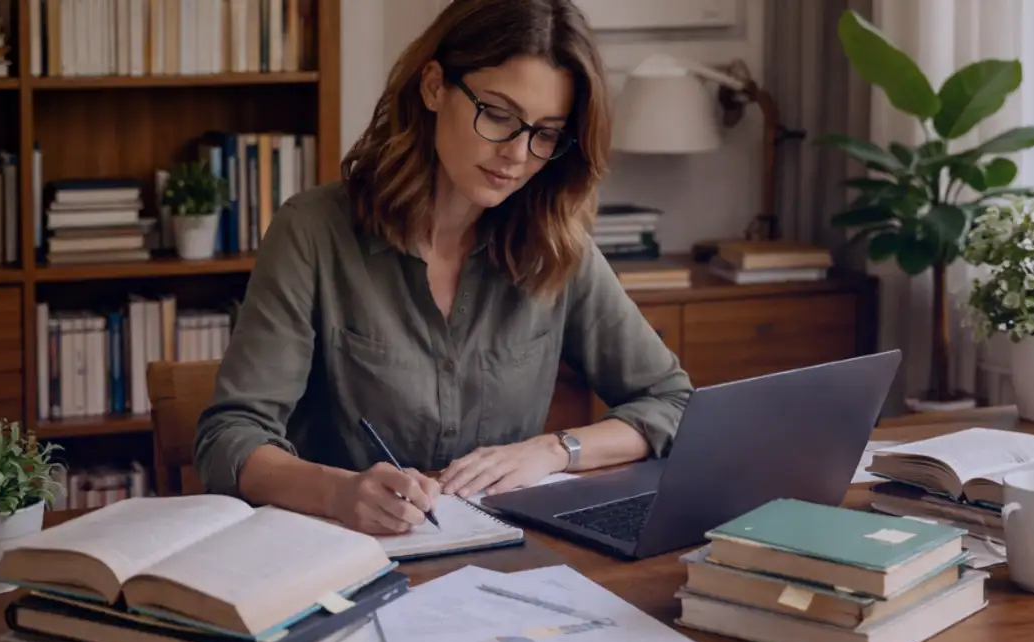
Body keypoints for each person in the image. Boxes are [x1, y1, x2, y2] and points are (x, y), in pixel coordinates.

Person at [193, 0, 691, 537]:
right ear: (433, 87)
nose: (518, 155)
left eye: (545, 132)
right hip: (342, 555)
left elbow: (673, 401)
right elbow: (231, 437)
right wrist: (339, 492)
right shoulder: (313, 233)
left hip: (499, 564)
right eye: (498, 114)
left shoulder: (555, 245)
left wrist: (556, 450)